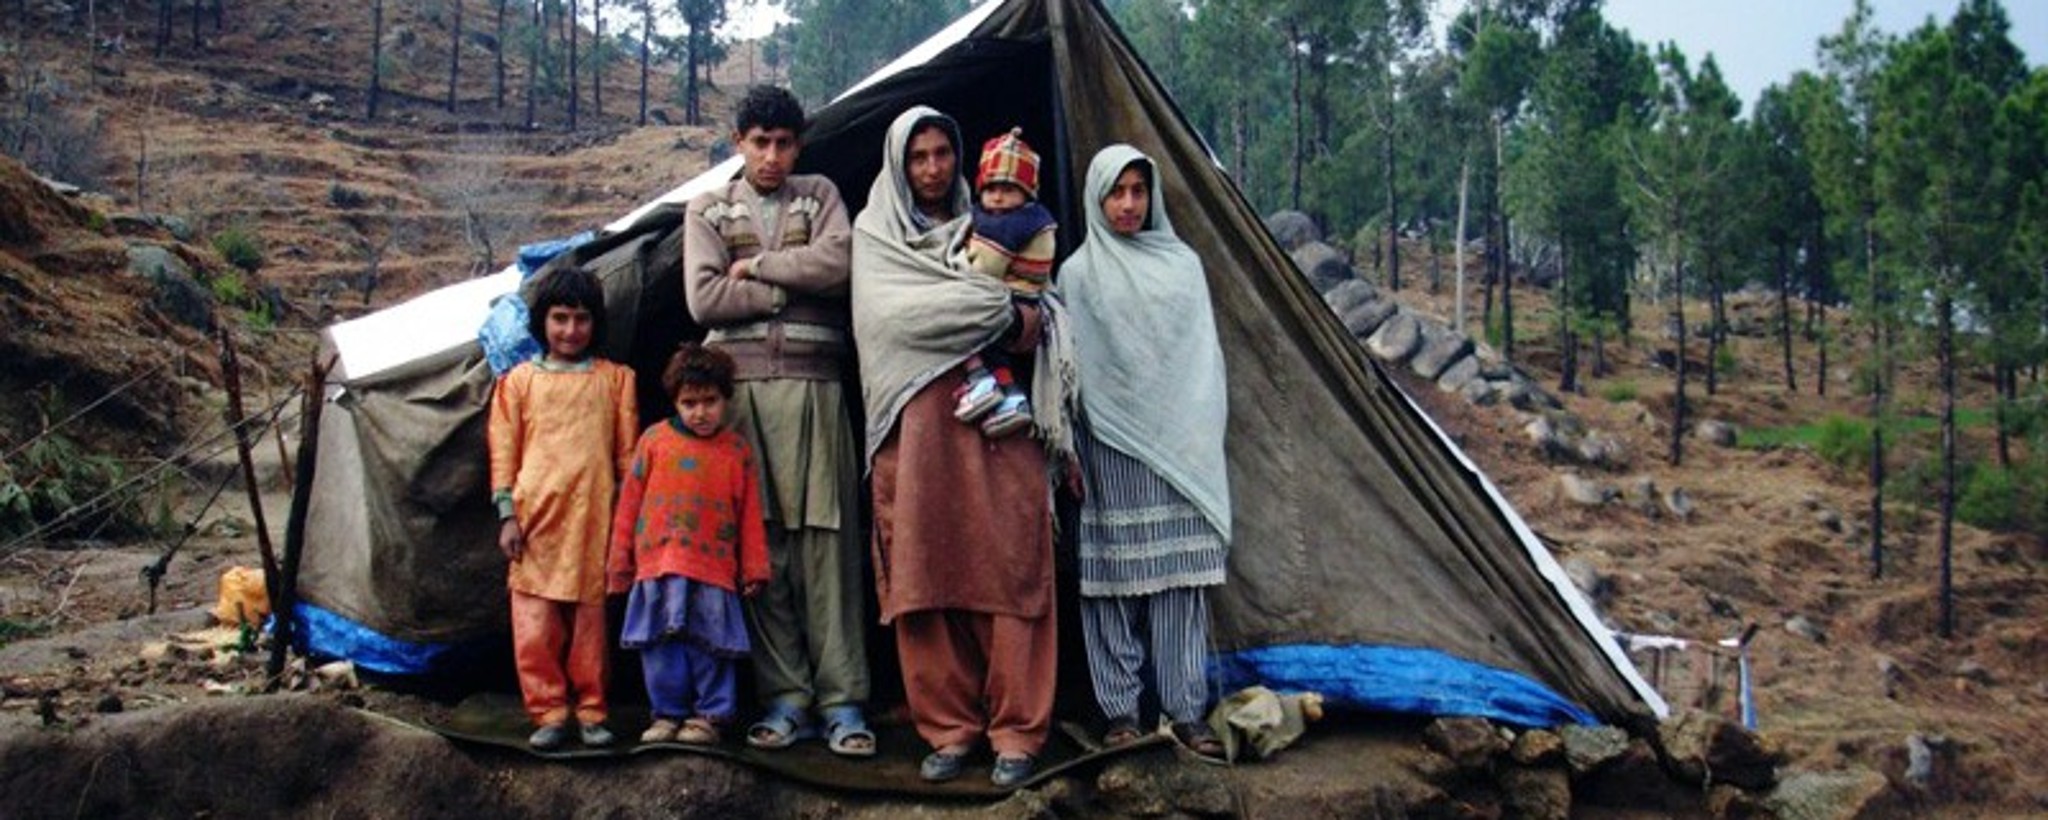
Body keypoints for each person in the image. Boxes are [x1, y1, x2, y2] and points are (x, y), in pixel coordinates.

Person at [850, 106, 1074, 789]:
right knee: (926, 579)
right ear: (897, 163)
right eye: (917, 156)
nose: (931, 168)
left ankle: (1016, 731)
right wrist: (995, 310)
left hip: (997, 431)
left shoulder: (997, 229)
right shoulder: (874, 238)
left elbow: (1040, 316)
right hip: (913, 435)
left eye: (943, 152)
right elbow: (888, 321)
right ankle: (948, 730)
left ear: (960, 158)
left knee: (1010, 572)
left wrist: (1012, 317)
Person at [680, 84, 874, 757]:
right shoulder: (707, 206)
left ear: (799, 145)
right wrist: (790, 287)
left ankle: (843, 700)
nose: (771, 155)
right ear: (738, 142)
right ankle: (785, 697)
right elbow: (703, 297)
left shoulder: (819, 195)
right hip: (742, 401)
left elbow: (841, 262)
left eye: (784, 142)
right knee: (763, 551)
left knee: (828, 548)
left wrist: (758, 267)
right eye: (759, 142)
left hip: (815, 390)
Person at [1062, 144, 1231, 759]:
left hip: (1180, 444)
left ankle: (1186, 712)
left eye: (1138, 191)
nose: (1128, 204)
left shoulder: (1183, 265)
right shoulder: (1077, 275)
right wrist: (1069, 450)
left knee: (1179, 583)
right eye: (1117, 192)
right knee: (1111, 581)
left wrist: (1198, 429)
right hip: (1107, 441)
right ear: (1096, 198)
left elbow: (1200, 362)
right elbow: (1070, 370)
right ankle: (1121, 713)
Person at [487, 267, 639, 751]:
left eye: (581, 319)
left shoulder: (616, 381)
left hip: (595, 518)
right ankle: (548, 711)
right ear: (542, 322)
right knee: (536, 624)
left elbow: (628, 458)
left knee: (591, 625)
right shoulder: (518, 383)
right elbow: (503, 452)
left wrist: (629, 521)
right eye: (560, 319)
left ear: (595, 323)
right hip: (535, 520)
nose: (571, 330)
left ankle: (592, 708)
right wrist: (507, 514)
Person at [606, 344, 770, 747]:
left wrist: (754, 567)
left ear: (725, 399)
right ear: (675, 401)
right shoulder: (654, 441)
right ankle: (666, 713)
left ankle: (710, 716)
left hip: (711, 569)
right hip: (658, 566)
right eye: (689, 402)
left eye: (710, 401)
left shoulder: (736, 451)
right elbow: (628, 506)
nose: (700, 412)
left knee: (710, 647)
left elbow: (750, 514)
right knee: (660, 647)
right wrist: (619, 566)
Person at [954, 127, 1058, 437]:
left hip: (1013, 302)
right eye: (991, 188)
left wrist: (955, 263)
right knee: (996, 351)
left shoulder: (1010, 225)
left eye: (1009, 189)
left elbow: (984, 268)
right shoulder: (1033, 219)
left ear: (1027, 194)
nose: (997, 196)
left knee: (959, 322)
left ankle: (979, 379)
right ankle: (1011, 397)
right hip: (1019, 302)